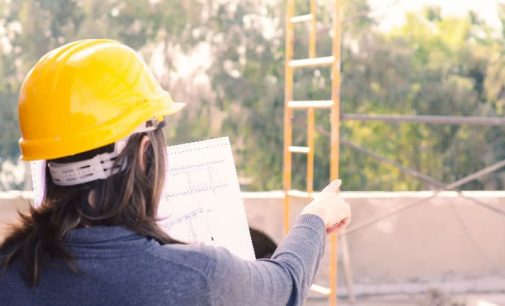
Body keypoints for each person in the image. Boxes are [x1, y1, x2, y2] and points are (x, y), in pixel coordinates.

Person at [0, 39, 351, 306]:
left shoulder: (9, 272)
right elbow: (285, 283)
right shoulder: (196, 276)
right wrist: (316, 217)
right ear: (143, 153)